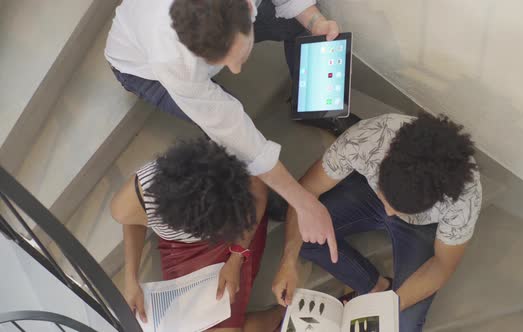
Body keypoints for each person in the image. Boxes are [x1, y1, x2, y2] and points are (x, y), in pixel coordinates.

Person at [105, 0, 346, 263]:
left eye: (239, 56)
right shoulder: (172, 60)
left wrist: (315, 23)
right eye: (222, 61)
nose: (236, 70)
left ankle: (311, 103)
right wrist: (302, 201)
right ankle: (258, 190)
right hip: (141, 68)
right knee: (221, 137)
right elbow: (235, 133)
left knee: (292, 23)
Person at [272, 113, 482, 332]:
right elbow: (306, 191)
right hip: (367, 194)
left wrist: (385, 308)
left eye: (399, 209)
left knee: (404, 326)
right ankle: (375, 286)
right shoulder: (369, 138)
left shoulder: (464, 198)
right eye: (387, 199)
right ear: (382, 163)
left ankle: (382, 295)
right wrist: (288, 260)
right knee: (304, 236)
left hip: (423, 227)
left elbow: (442, 265)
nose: (389, 213)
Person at [110, 139, 284, 331]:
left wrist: (236, 257)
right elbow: (132, 221)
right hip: (180, 248)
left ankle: (281, 314)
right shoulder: (137, 198)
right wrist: (130, 279)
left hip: (239, 236)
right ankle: (281, 318)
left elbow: (258, 197)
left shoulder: (229, 167)